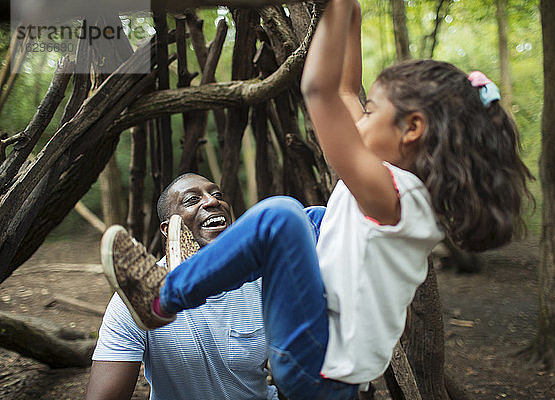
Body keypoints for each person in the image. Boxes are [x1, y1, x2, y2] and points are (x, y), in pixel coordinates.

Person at [100, 1, 532, 399]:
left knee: (283, 218)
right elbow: (344, 90)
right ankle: (199, 273)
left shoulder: (397, 195)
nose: (360, 113)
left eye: (373, 108)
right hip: (326, 365)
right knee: (311, 219)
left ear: (412, 128)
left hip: (321, 366)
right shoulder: (397, 191)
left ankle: (161, 298)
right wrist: (351, 13)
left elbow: (321, 93)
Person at [86, 173, 278, 400]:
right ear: (168, 230)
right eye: (192, 200)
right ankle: (173, 289)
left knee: (292, 212)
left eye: (217, 195)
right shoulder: (137, 296)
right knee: (283, 210)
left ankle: (174, 292)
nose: (213, 201)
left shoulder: (261, 281)